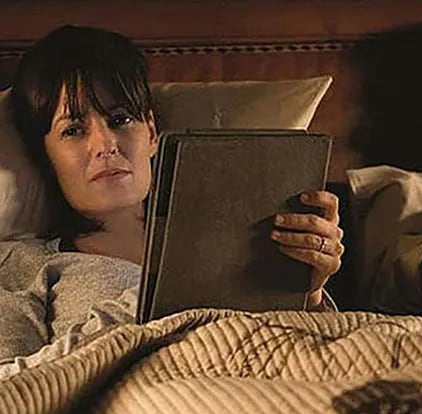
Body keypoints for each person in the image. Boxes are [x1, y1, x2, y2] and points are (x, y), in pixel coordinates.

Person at [0, 25, 343, 358]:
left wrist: (310, 293)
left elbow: (312, 354)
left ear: (151, 133)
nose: (105, 144)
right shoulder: (25, 266)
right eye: (74, 130)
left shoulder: (238, 243)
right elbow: (16, 385)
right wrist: (145, 307)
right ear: (45, 156)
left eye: (120, 120)